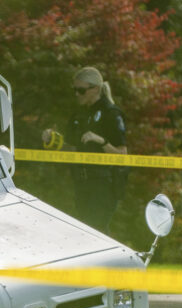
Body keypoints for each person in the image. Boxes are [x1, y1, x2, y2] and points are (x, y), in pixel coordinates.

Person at [42, 66, 128, 233]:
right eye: (75, 89)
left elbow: (122, 155)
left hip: (104, 184)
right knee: (85, 232)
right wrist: (54, 140)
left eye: (81, 90)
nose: (76, 94)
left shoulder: (111, 113)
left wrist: (101, 141)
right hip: (81, 182)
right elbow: (72, 149)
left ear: (95, 89)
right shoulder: (78, 115)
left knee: (97, 230)